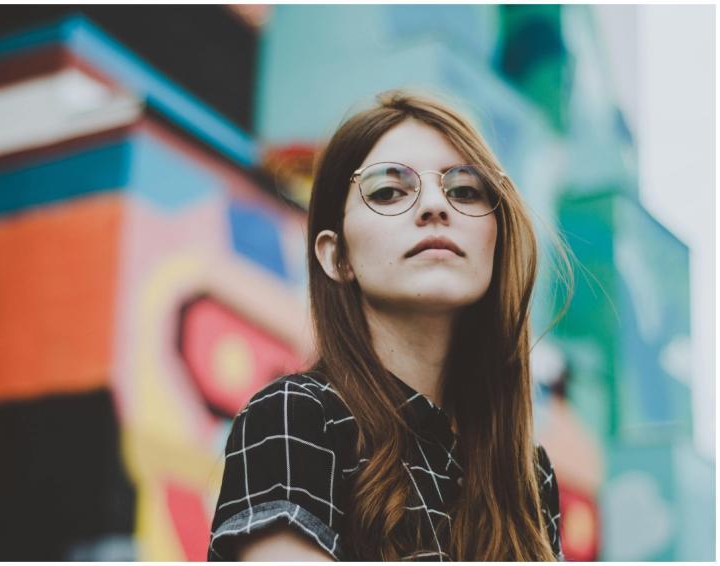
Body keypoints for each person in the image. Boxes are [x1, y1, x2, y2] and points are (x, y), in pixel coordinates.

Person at [207, 89, 569, 561]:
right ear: (335, 256)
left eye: (464, 190)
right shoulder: (297, 416)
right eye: (388, 191)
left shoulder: (529, 476)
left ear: (495, 240)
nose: (436, 206)